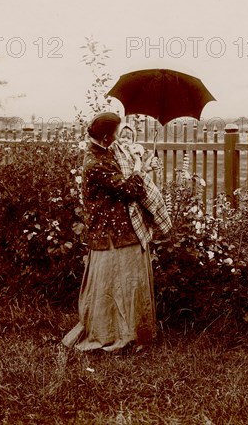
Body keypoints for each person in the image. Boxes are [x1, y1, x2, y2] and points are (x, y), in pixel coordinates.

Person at [61, 112, 161, 352]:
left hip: (119, 227)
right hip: (109, 232)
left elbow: (125, 176)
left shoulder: (105, 152)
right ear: (106, 137)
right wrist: (140, 168)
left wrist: (144, 165)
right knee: (116, 284)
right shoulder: (96, 163)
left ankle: (131, 331)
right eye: (116, 132)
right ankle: (112, 332)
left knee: (124, 281)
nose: (119, 136)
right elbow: (128, 189)